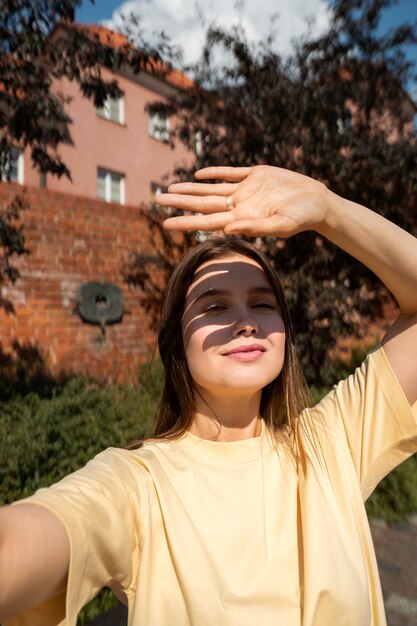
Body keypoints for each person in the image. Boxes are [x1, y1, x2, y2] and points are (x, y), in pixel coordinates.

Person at [0, 164, 416, 626]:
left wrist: (326, 208)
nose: (246, 322)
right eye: (215, 306)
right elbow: (35, 536)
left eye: (262, 303)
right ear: (177, 343)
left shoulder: (333, 443)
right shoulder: (138, 482)